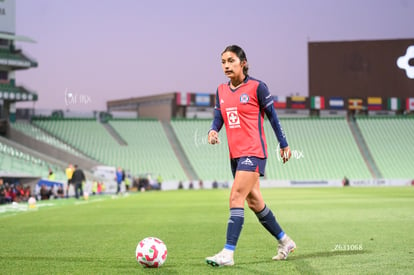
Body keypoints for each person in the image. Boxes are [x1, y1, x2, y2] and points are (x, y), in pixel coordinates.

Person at [205, 45, 295, 267]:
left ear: (243, 62)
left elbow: (273, 117)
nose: (226, 65)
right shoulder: (221, 90)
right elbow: (219, 116)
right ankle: (285, 241)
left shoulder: (257, 87)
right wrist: (213, 130)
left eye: (231, 61)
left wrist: (283, 144)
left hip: (254, 152)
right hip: (235, 155)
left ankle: (228, 253)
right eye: (223, 62)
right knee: (255, 203)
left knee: (236, 196)